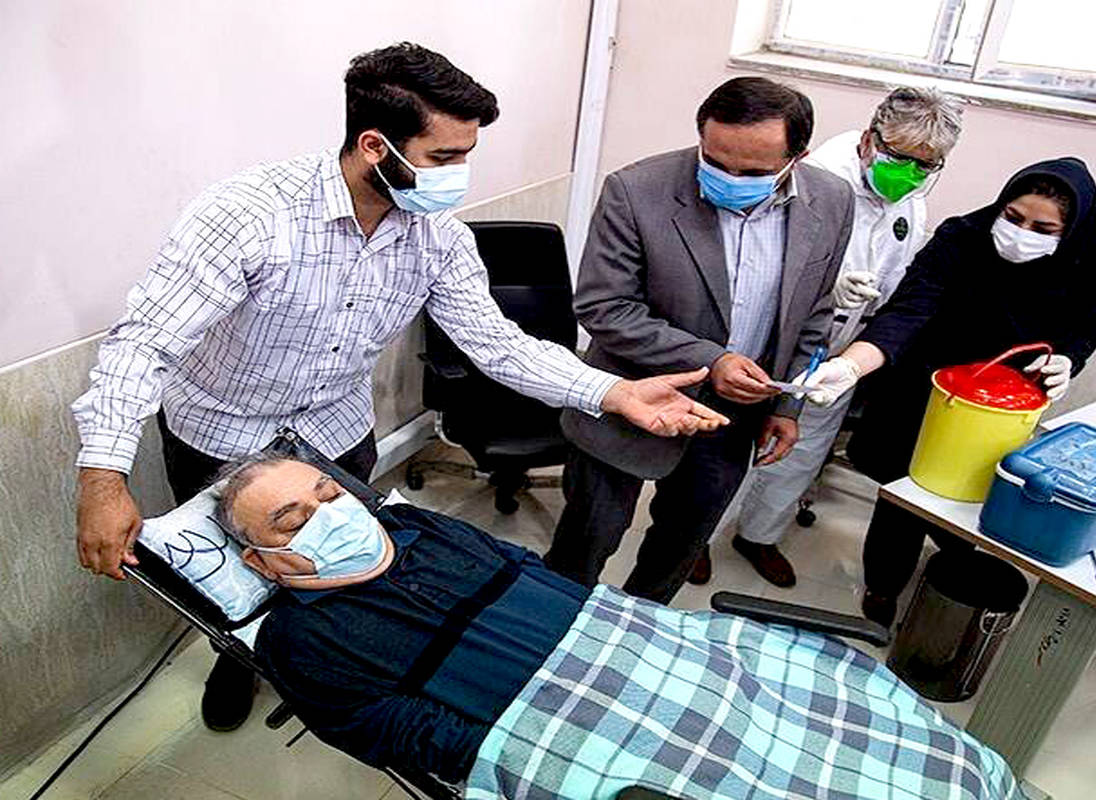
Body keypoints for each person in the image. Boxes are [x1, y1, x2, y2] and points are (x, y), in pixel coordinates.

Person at [71, 42, 726, 734]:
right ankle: (236, 662)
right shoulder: (249, 215)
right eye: (443, 157)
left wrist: (613, 393)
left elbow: (497, 345)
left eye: (466, 155)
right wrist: (103, 480)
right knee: (236, 579)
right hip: (222, 433)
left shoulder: (437, 238)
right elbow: (144, 342)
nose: (458, 176)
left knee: (340, 568)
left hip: (334, 433)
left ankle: (329, 667)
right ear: (374, 146)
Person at [220, 456, 1021, 799]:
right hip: (566, 726)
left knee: (880, 722)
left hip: (640, 644)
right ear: (261, 561)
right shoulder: (303, 641)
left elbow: (527, 570)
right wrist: (545, 743)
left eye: (330, 494)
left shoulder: (416, 528)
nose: (332, 515)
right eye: (294, 520)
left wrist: (614, 633)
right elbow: (401, 736)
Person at [542, 77, 854, 604]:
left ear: (796, 159)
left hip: (735, 417)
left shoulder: (832, 200)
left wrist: (787, 405)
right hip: (631, 400)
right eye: (715, 162)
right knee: (583, 546)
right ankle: (552, 624)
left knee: (680, 547)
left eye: (752, 173)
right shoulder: (636, 191)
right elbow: (604, 307)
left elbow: (814, 311)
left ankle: (645, 627)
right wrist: (713, 361)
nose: (730, 179)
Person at [801, 157, 1096, 625]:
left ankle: (958, 564)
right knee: (907, 493)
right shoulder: (962, 239)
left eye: (1043, 229)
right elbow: (909, 311)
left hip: (1006, 402)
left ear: (1072, 232)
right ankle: (882, 587)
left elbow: (1095, 321)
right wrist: (852, 366)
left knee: (981, 491)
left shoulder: (1094, 260)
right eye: (1013, 217)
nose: (1020, 234)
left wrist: (1068, 359)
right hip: (928, 385)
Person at [695, 87, 965, 588]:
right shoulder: (814, 180)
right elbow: (755, 263)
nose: (909, 172)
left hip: (841, 352)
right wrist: (825, 287)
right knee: (733, 448)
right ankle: (696, 540)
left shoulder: (911, 200)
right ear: (869, 140)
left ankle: (758, 535)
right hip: (775, 343)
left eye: (924, 165)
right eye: (899, 157)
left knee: (804, 449)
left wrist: (858, 351)